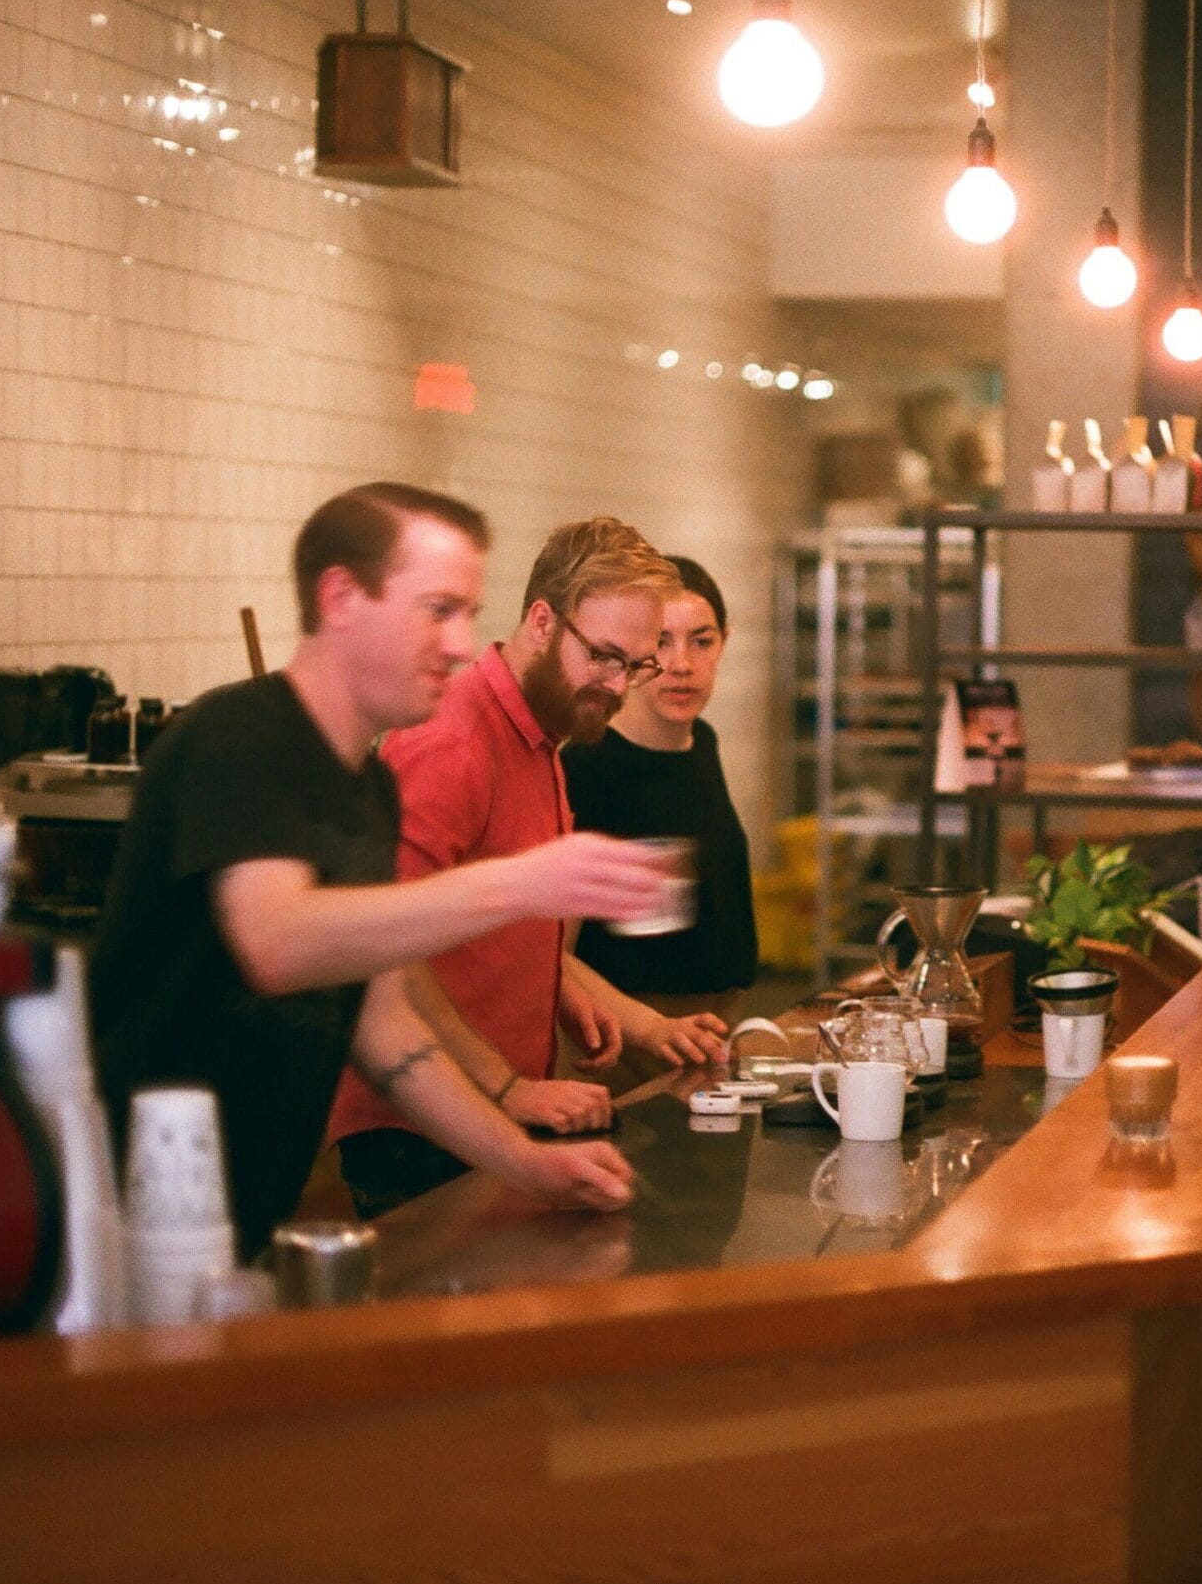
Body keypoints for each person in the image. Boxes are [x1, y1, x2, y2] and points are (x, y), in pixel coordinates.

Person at [91, 483, 653, 1256]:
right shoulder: (240, 735)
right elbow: (277, 940)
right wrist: (520, 882)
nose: (461, 644)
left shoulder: (368, 787)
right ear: (342, 597)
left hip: (243, 1204)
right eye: (438, 609)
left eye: (466, 613)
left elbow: (384, 1027)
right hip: (123, 1199)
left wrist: (526, 1161)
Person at [329, 517, 730, 1219]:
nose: (617, 686)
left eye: (634, 666)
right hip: (417, 1127)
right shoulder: (453, 743)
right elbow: (385, 953)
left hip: (488, 1110)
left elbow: (495, 917)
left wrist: (561, 984)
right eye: (605, 657)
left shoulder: (545, 734)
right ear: (543, 621)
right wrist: (506, 1086)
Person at [562, 554, 760, 1017]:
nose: (681, 665)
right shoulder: (588, 766)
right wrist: (650, 1029)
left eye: (701, 642)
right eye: (661, 643)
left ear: (724, 643)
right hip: (627, 1029)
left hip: (715, 1019)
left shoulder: (701, 742)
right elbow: (555, 957)